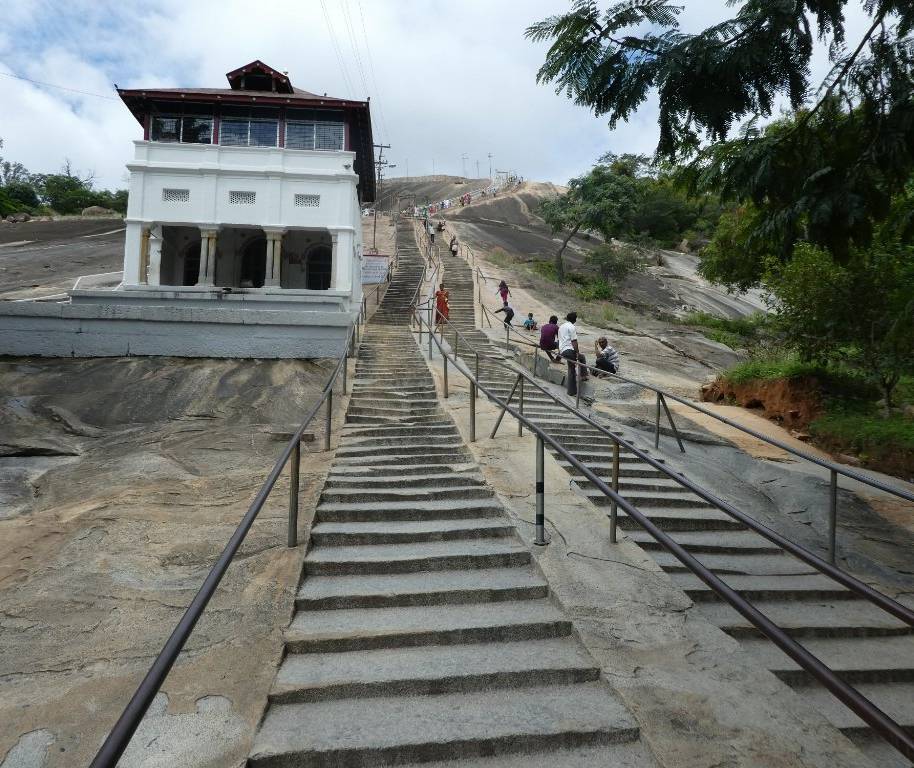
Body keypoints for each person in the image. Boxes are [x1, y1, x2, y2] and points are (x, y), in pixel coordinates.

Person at [558, 311, 588, 396]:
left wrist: (559, 352)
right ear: (574, 320)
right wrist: (577, 352)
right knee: (572, 368)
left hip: (563, 350)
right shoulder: (572, 327)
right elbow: (574, 341)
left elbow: (559, 340)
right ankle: (572, 391)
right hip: (569, 350)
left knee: (578, 360)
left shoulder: (561, 327)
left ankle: (583, 376)